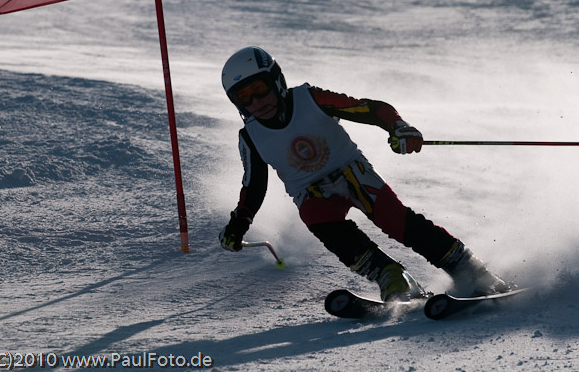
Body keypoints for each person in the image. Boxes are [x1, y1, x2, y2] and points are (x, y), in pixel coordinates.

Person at [218, 46, 510, 301]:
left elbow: (372, 109)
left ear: (277, 80)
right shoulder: (251, 137)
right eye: (245, 98)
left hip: (351, 172)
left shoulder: (310, 99)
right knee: (318, 219)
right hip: (311, 192)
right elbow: (254, 187)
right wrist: (238, 223)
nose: (257, 102)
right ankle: (392, 277)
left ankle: (468, 268)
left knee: (396, 221)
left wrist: (398, 127)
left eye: (260, 89)